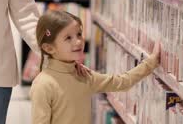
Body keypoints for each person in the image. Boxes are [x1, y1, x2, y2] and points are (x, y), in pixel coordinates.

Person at [30, 10, 161, 124]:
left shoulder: (83, 75)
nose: (78, 41)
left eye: (79, 34)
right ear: (49, 48)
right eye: (68, 38)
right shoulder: (43, 84)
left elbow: (122, 82)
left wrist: (152, 62)